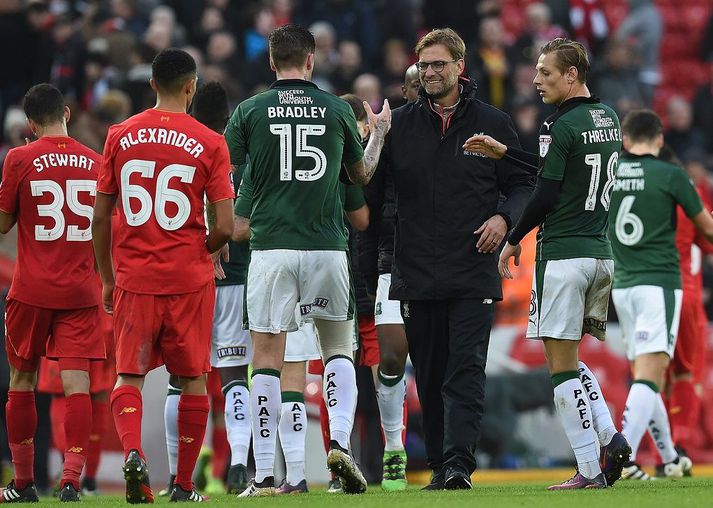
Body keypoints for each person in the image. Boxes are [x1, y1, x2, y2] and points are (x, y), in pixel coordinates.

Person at [223, 23, 390, 496]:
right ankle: (340, 446)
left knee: (267, 359)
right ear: (312, 61)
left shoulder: (250, 111)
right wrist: (376, 136)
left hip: (271, 248)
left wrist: (219, 235)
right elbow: (361, 174)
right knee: (338, 350)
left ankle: (268, 476)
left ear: (272, 62)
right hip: (326, 248)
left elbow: (228, 174)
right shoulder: (337, 109)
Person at [464, 37, 630, 489]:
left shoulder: (558, 126)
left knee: (559, 370)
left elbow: (546, 191)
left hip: (563, 257)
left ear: (571, 75)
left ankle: (589, 470)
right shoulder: (607, 118)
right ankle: (612, 437)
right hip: (600, 255)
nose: (536, 81)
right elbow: (562, 169)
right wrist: (506, 153)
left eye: (546, 73)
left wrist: (514, 238)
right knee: (571, 358)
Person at [373, 28, 533, 490]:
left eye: (439, 64)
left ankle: (460, 464)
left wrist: (505, 220)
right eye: (424, 66)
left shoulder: (494, 122)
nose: (430, 73)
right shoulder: (399, 124)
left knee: (465, 370)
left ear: (460, 67)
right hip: (417, 271)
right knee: (429, 373)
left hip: (472, 269)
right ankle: (445, 466)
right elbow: (375, 194)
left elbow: (523, 182)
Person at [92, 48, 234, 503]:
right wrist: (207, 249)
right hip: (189, 277)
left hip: (135, 277)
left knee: (128, 376)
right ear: (191, 87)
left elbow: (100, 216)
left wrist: (109, 278)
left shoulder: (119, 134)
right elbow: (226, 225)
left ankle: (134, 452)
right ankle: (184, 486)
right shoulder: (211, 142)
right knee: (192, 377)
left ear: (152, 84)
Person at [0, 83, 105, 502]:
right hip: (81, 291)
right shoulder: (96, 162)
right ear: (67, 111)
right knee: (77, 386)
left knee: (21, 382)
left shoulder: (19, 158)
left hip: (31, 290)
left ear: (29, 122)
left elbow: (3, 223)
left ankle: (23, 483)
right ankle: (72, 480)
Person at [608, 110, 713, 480]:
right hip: (660, 284)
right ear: (659, 139)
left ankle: (668, 457)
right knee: (651, 375)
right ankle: (623, 457)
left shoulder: (611, 173)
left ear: (624, 139)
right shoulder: (671, 175)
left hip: (622, 287)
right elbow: (708, 231)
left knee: (645, 374)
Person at [159, 80, 251, 497]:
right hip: (236, 279)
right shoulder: (241, 156)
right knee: (235, 377)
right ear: (230, 118)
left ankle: (180, 471)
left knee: (182, 378)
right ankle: (237, 466)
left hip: (187, 278)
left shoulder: (183, 148)